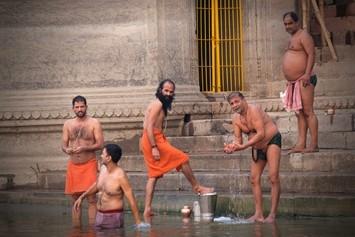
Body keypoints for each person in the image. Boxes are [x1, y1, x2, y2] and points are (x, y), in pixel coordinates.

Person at [140, 79, 214, 222]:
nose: (168, 94)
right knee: (182, 158)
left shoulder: (160, 104)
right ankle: (197, 187)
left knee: (153, 175)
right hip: (153, 140)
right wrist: (154, 147)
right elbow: (148, 127)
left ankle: (147, 208)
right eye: (166, 90)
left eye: (171, 92)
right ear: (160, 90)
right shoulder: (158, 104)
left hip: (154, 138)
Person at [224, 92, 281, 223]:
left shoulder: (254, 110)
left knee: (273, 177)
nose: (234, 105)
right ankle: (258, 214)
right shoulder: (236, 119)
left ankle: (272, 215)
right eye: (232, 104)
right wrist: (231, 147)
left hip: (272, 140)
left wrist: (244, 146)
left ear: (243, 100)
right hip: (257, 147)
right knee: (254, 179)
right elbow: (238, 139)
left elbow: (261, 134)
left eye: (236, 101)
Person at [73, 144, 143, 229]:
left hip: (113, 218)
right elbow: (97, 185)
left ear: (109, 158)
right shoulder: (103, 168)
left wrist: (138, 222)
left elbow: (131, 199)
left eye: (103, 154)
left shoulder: (120, 176)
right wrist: (82, 197)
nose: (101, 156)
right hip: (99, 216)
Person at [62, 95, 104, 226]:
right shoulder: (67, 124)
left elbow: (100, 144)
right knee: (75, 199)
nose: (79, 109)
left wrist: (85, 147)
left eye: (82, 106)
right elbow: (63, 144)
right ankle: (77, 231)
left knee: (91, 199)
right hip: (73, 166)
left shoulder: (94, 123)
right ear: (73, 108)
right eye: (77, 107)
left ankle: (92, 230)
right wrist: (66, 149)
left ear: (86, 107)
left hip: (89, 164)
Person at [282, 11, 319, 153]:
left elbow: (311, 54)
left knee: (308, 112)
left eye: (290, 23)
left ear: (297, 22)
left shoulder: (304, 35)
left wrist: (307, 74)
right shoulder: (293, 37)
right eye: (285, 24)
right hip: (294, 82)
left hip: (305, 79)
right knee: (300, 113)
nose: (287, 26)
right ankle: (301, 144)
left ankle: (314, 145)